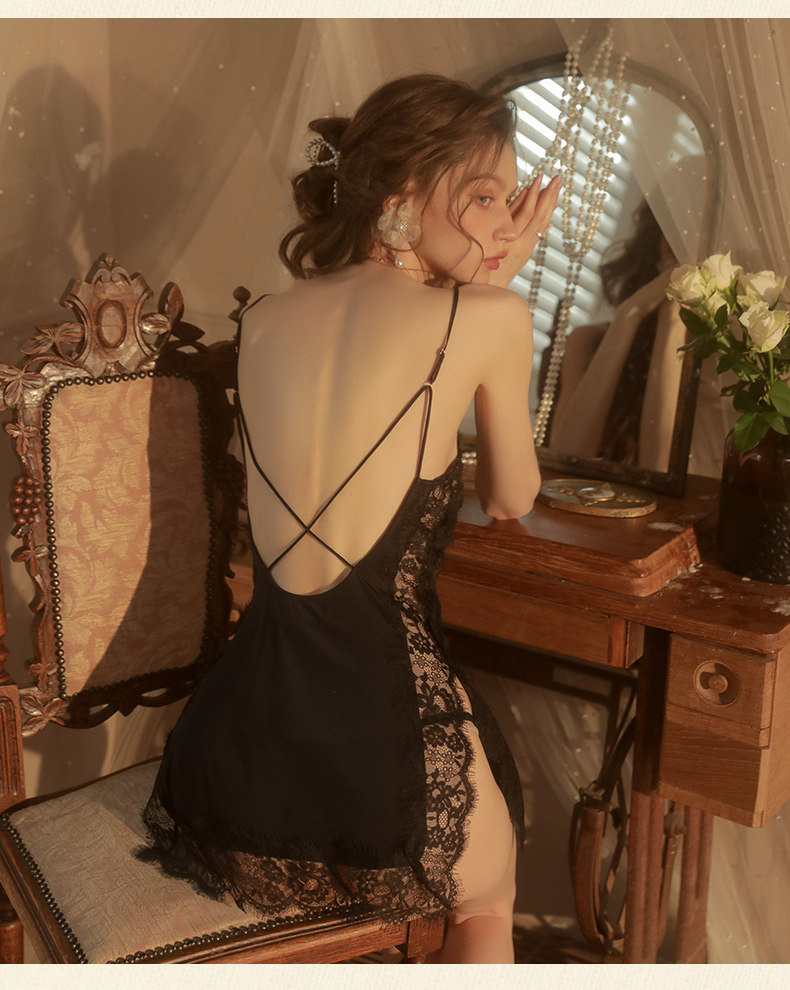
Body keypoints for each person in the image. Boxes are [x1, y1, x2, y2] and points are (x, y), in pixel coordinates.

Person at [140, 73, 559, 964]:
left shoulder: (264, 319)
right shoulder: (488, 316)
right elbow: (512, 498)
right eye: (485, 197)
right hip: (376, 771)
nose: (505, 225)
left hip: (233, 768)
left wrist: (479, 279)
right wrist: (497, 289)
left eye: (510, 200)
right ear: (401, 195)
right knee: (488, 903)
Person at [549, 199, 684, 471]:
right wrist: (629, 315)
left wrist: (673, 318)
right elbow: (566, 460)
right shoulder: (587, 341)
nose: (680, 247)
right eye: (673, 229)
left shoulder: (729, 358)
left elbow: (659, 472)